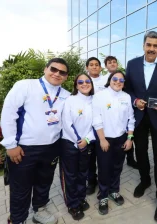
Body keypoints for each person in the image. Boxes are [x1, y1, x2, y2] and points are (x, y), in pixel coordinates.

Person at [1, 58, 70, 224]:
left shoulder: (66, 95)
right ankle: (17, 219)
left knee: (44, 182)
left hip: (52, 147)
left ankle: (39, 209)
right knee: (20, 188)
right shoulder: (25, 85)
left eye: (62, 72)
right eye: (54, 69)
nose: (57, 74)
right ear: (45, 69)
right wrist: (11, 145)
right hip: (24, 148)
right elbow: (9, 113)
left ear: (66, 77)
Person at [125, 31, 157, 222]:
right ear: (143, 45)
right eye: (149, 45)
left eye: (155, 46)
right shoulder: (132, 64)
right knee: (141, 151)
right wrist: (135, 100)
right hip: (138, 116)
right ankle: (145, 180)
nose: (152, 48)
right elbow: (127, 90)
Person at [92, 71, 135, 215]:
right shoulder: (99, 96)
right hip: (105, 138)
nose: (118, 82)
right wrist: (102, 139)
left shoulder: (126, 96)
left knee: (117, 167)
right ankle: (103, 196)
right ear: (110, 80)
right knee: (104, 168)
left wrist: (129, 139)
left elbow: (131, 118)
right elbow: (96, 119)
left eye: (121, 80)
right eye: (115, 79)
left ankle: (114, 191)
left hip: (121, 138)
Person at [59, 73, 95, 220]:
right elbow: (67, 123)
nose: (84, 84)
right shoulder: (70, 100)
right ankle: (72, 204)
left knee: (82, 173)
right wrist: (79, 140)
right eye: (80, 82)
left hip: (87, 143)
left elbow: (98, 122)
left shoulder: (95, 101)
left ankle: (80, 198)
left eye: (87, 81)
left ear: (91, 84)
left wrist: (87, 139)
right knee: (70, 175)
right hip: (70, 144)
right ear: (76, 85)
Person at [105, 56, 138, 169]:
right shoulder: (104, 79)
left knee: (128, 138)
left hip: (124, 111)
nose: (112, 64)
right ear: (106, 66)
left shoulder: (123, 77)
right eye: (110, 63)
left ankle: (130, 159)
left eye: (114, 62)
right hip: (109, 118)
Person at [85, 57, 106, 195]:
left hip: (104, 123)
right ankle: (91, 181)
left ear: (100, 67)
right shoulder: (83, 80)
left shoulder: (106, 80)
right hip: (87, 124)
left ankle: (105, 180)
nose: (94, 67)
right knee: (89, 156)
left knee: (103, 154)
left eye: (96, 65)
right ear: (87, 68)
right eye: (91, 65)